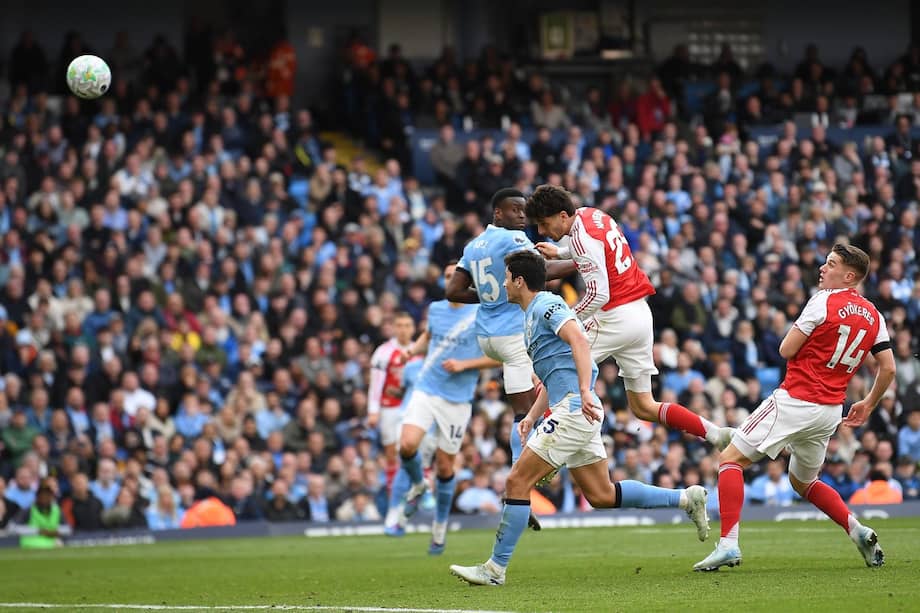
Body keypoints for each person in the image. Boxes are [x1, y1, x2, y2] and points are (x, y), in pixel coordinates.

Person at [449, 251, 709, 586]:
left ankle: (494, 569)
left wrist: (584, 390)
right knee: (601, 495)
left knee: (516, 482)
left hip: (575, 409)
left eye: (507, 277)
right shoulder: (530, 315)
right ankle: (686, 498)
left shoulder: (547, 305)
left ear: (519, 281)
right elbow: (558, 372)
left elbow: (579, 340)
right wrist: (532, 414)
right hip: (575, 408)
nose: (503, 283)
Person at [695, 243, 894, 571]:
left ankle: (728, 544)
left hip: (796, 399)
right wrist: (869, 403)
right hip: (829, 411)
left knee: (729, 459)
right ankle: (857, 530)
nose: (822, 268)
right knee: (804, 482)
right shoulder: (875, 315)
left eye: (831, 264)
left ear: (849, 276)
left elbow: (786, 349)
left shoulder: (822, 301)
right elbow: (888, 368)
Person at [527, 185, 732, 449]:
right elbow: (595, 249)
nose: (542, 231)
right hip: (640, 315)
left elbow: (598, 294)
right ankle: (716, 433)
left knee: (551, 368)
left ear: (563, 215)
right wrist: (560, 253)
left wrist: (567, 320)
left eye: (544, 223)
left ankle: (544, 451)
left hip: (615, 317)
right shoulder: (592, 214)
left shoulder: (580, 238)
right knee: (644, 406)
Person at [384, 262, 501, 554]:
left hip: (457, 400)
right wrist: (412, 350)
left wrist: (465, 364)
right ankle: (419, 485)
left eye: (455, 277)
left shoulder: (480, 314)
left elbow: (500, 356)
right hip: (427, 387)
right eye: (447, 277)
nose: (450, 281)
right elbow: (429, 335)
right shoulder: (436, 309)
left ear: (468, 283)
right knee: (406, 445)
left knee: (446, 466)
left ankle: (439, 527)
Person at [367, 311, 416, 485]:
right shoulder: (383, 351)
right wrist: (373, 411)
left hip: (413, 407)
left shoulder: (419, 350)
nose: (403, 330)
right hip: (390, 407)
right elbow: (376, 383)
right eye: (400, 326)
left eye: (407, 326)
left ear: (413, 329)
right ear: (394, 328)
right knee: (391, 451)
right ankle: (393, 491)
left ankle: (412, 487)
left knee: (411, 448)